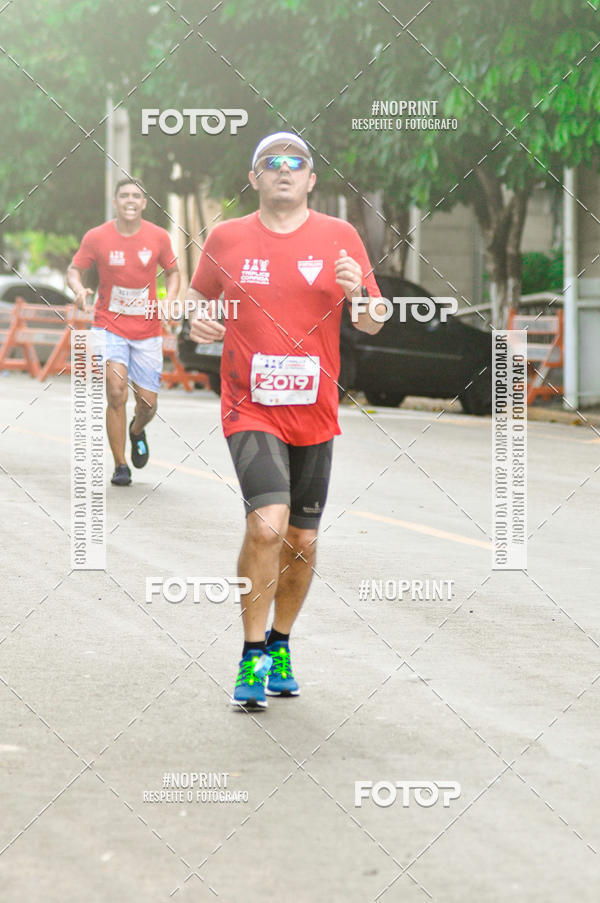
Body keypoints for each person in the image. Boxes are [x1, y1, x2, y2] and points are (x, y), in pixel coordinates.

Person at [188, 132, 386, 708]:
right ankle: (251, 656)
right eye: (269, 162)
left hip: (315, 410)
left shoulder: (340, 237)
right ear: (254, 178)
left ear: (310, 178)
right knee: (266, 526)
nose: (283, 170)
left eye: (295, 163)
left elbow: (374, 320)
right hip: (249, 405)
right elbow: (200, 301)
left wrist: (363, 297)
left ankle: (280, 644)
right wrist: (199, 322)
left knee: (301, 538)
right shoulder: (225, 238)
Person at [67, 179, 180, 485]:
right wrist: (78, 289)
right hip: (109, 324)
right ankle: (120, 465)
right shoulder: (97, 237)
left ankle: (137, 430)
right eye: (124, 195)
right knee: (116, 392)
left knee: (147, 403)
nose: (130, 200)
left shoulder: (157, 237)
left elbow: (173, 272)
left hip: (147, 329)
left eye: (136, 196)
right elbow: (74, 270)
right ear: (115, 201)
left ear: (144, 203)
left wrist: (169, 299)